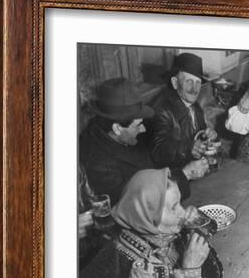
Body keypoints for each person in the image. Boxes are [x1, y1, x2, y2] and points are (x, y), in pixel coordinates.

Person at [78, 168, 227, 278]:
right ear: (148, 216)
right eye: (173, 207)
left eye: (180, 203)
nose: (182, 212)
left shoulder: (157, 235)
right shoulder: (140, 271)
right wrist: (191, 271)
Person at [79, 77, 208, 207]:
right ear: (117, 128)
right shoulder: (96, 161)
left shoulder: (121, 134)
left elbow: (156, 161)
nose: (143, 129)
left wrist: (189, 150)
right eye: (138, 124)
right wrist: (185, 174)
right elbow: (136, 206)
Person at [146, 52, 220, 168]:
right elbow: (158, 150)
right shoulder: (161, 109)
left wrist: (210, 136)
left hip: (195, 169)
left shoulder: (195, 107)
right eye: (189, 82)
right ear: (175, 83)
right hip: (173, 176)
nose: (194, 89)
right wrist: (189, 148)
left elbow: (199, 136)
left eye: (198, 83)